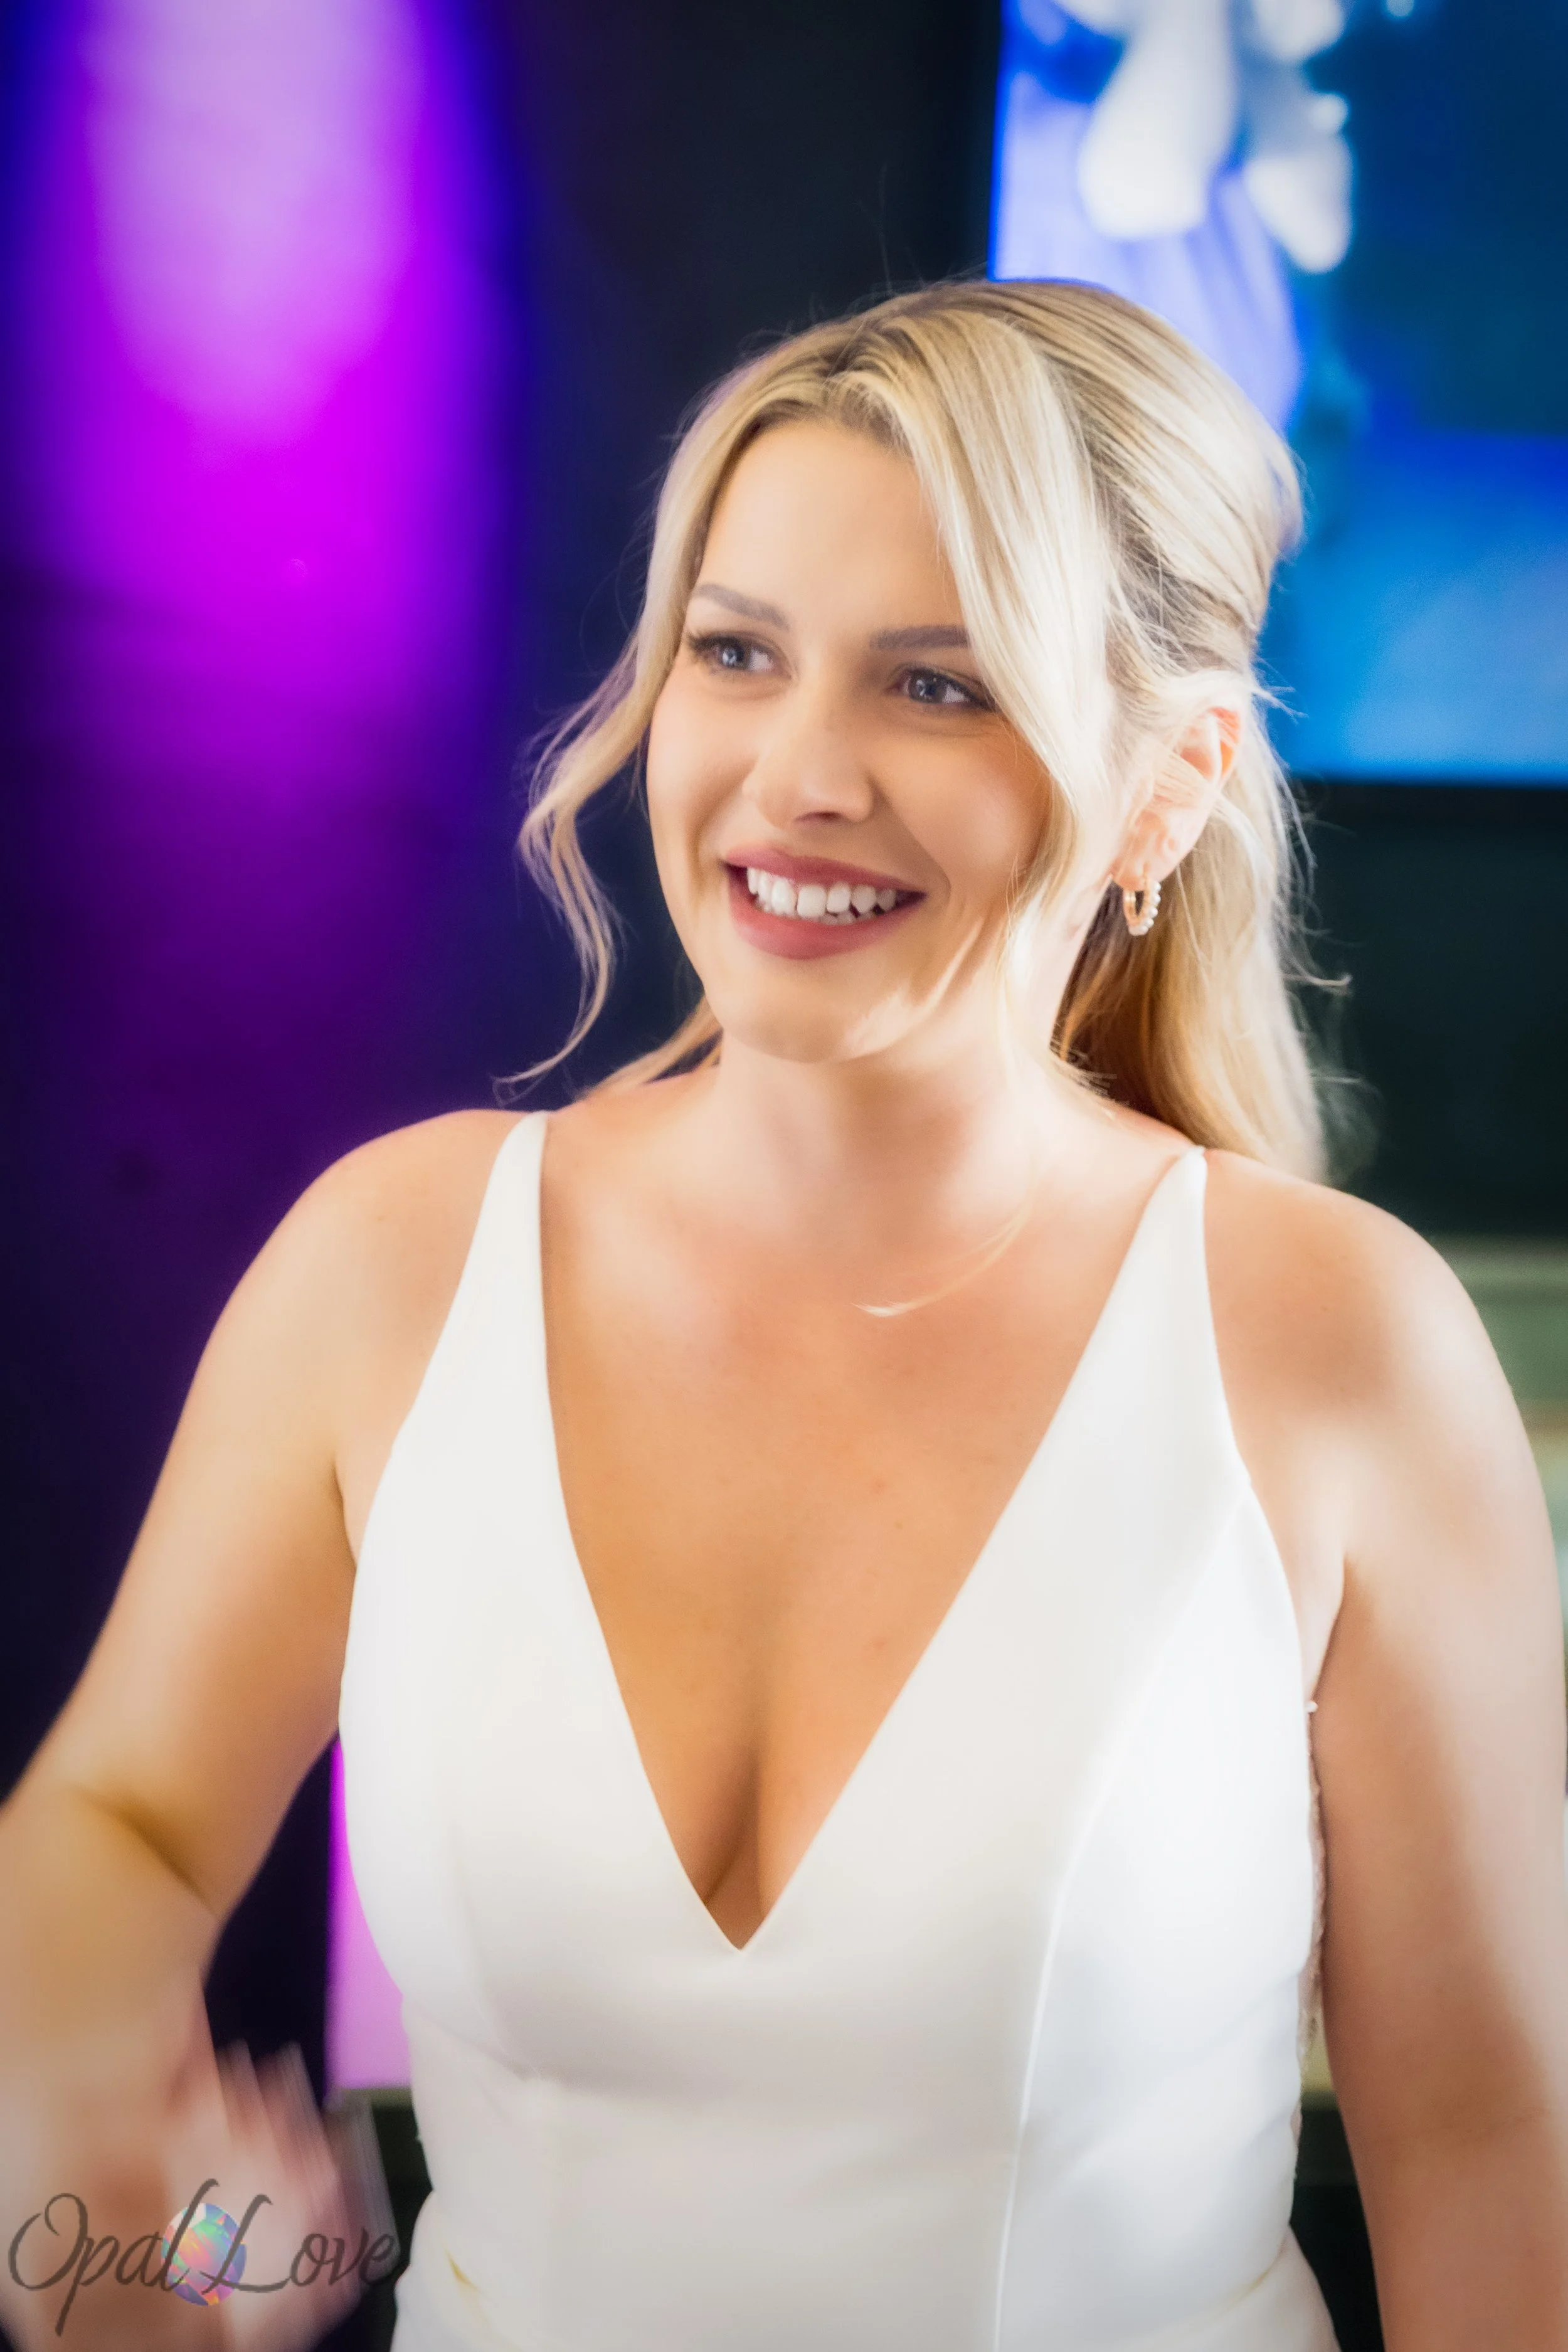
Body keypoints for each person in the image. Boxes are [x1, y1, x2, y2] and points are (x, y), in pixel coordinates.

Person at [1, 278, 1565, 2352]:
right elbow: (114, 1819)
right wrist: (79, 2122)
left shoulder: (1333, 1343)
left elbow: (1481, 2137)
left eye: (938, 684)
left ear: (1165, 785)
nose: (792, 772)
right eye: (736, 652)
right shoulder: (392, 1264)